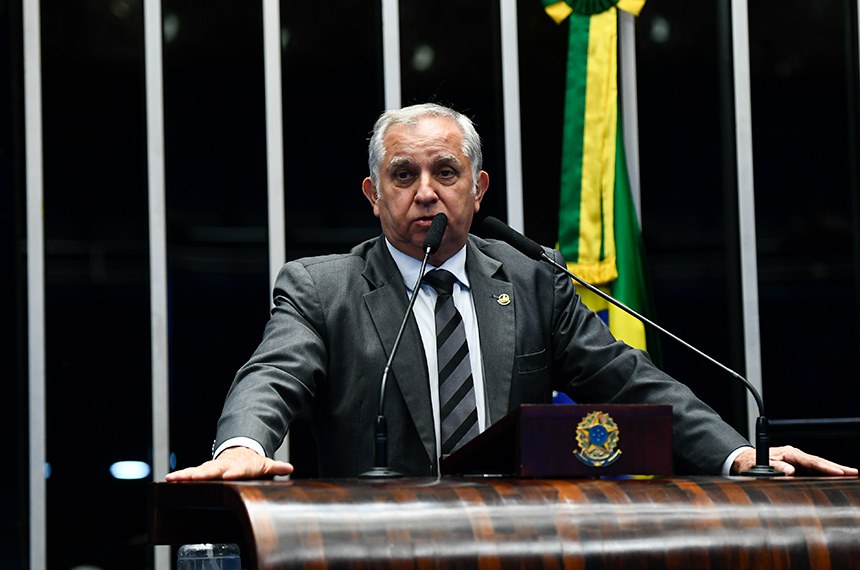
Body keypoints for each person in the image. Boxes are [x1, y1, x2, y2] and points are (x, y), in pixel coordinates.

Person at [167, 103, 856, 481]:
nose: (426, 192)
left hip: (513, 545)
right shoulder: (325, 288)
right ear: (375, 196)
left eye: (446, 171)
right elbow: (273, 376)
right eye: (403, 176)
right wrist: (242, 448)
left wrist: (743, 456)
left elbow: (631, 381)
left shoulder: (531, 279)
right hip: (374, 545)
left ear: (478, 187)